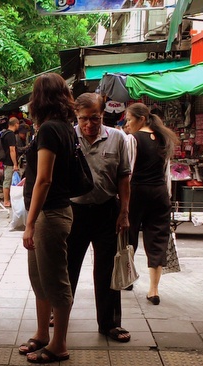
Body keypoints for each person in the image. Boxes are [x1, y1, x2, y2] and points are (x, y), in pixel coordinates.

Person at [66, 92, 132, 342]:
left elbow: (124, 176)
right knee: (68, 266)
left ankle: (109, 323)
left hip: (107, 211)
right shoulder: (68, 136)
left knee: (107, 269)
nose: (89, 124)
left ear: (103, 114)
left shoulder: (117, 137)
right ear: (76, 116)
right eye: (83, 119)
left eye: (94, 118)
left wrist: (124, 212)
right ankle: (59, 313)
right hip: (74, 212)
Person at [19, 73, 75, 363]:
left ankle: (58, 345)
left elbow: (45, 179)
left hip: (49, 215)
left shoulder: (51, 130)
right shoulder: (61, 127)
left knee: (55, 281)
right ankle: (42, 334)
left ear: (39, 99)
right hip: (47, 213)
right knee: (39, 279)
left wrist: (29, 223)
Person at [124, 102, 176, 305]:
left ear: (141, 119)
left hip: (137, 192)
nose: (127, 124)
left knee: (129, 235)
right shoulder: (163, 138)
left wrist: (122, 199)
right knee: (157, 239)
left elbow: (127, 170)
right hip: (159, 193)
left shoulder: (132, 139)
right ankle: (154, 290)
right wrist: (167, 196)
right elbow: (166, 172)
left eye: (129, 120)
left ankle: (128, 278)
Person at [0, 117, 20, 207]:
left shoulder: (4, 133)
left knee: (8, 180)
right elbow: (12, 150)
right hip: (9, 162)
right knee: (8, 181)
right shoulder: (11, 135)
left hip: (5, 160)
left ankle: (8, 199)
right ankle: (6, 200)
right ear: (16, 124)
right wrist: (15, 163)